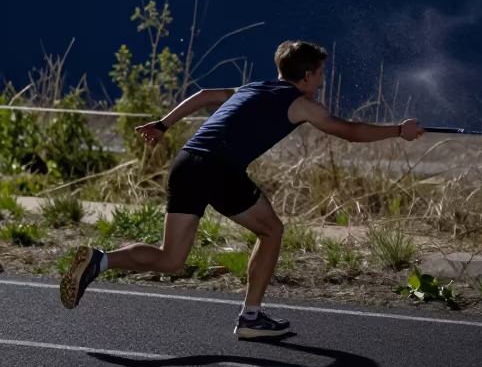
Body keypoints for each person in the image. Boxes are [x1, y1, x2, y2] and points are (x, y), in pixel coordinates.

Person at [60, 40, 426, 338]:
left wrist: (162, 124)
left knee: (171, 260)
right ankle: (251, 315)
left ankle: (99, 259)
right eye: (321, 75)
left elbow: (203, 95)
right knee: (272, 230)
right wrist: (399, 130)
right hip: (218, 168)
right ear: (308, 75)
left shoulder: (250, 87)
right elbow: (351, 131)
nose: (322, 82)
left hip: (187, 162)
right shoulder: (301, 104)